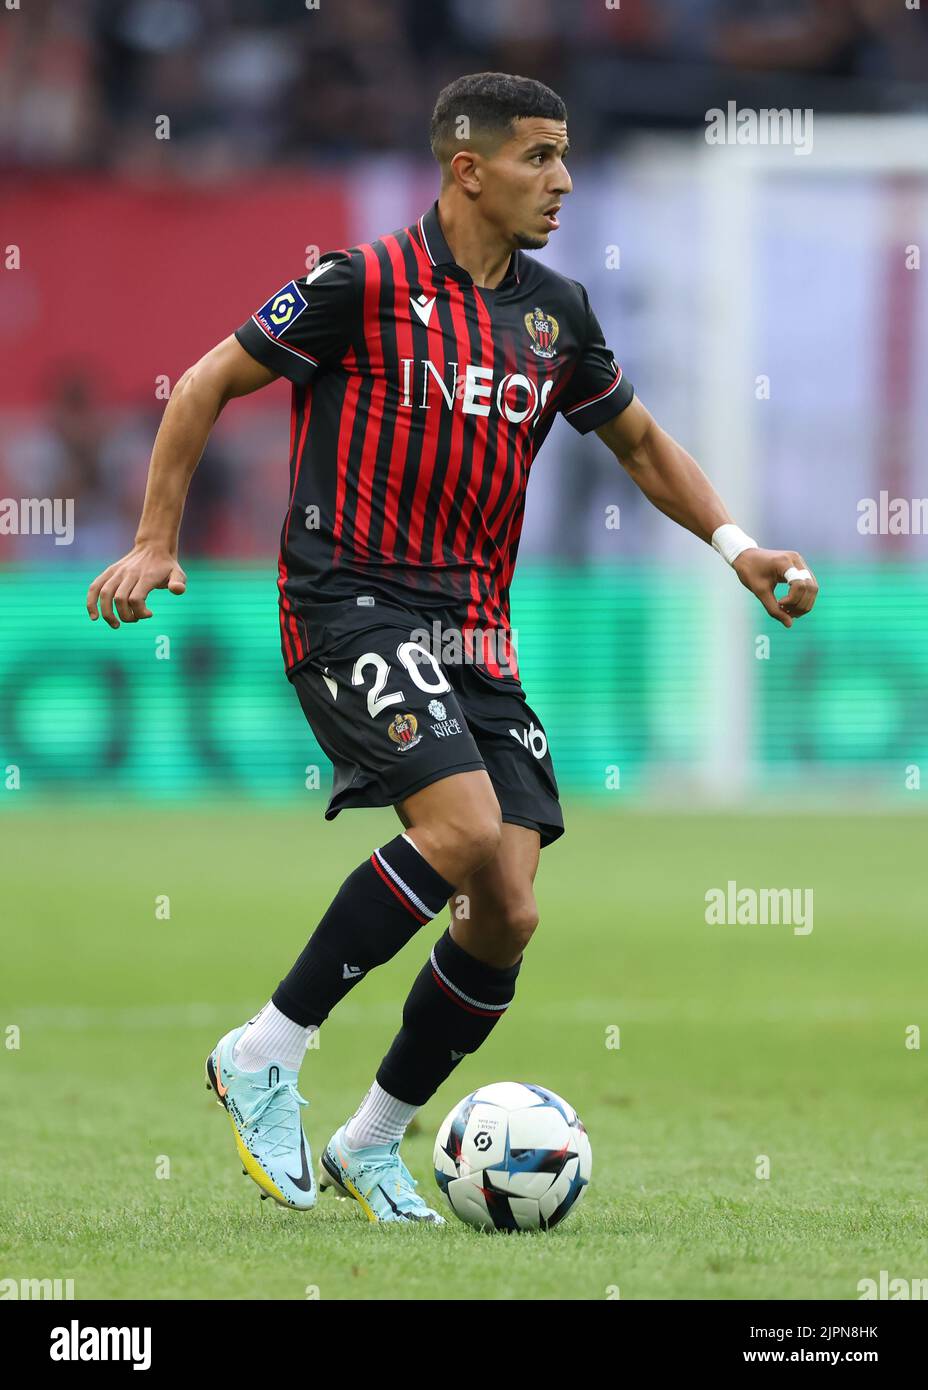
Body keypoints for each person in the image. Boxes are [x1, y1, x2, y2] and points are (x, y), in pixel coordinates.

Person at [86, 71, 818, 1225]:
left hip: (477, 631)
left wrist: (739, 546)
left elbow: (638, 443)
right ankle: (264, 1049)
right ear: (468, 169)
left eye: (564, 155)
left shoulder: (556, 313)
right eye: (539, 156)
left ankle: (371, 1139)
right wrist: (152, 539)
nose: (562, 180)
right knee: (462, 828)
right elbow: (207, 385)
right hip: (350, 603)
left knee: (507, 907)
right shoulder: (360, 282)